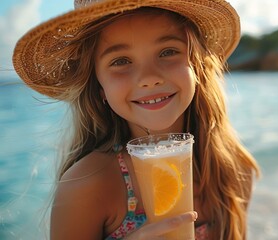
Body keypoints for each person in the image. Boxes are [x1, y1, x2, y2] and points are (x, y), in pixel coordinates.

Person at [12, 0, 260, 239]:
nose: (149, 78)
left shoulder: (234, 171)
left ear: (197, 67)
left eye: (167, 52)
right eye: (121, 61)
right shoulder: (86, 186)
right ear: (100, 90)